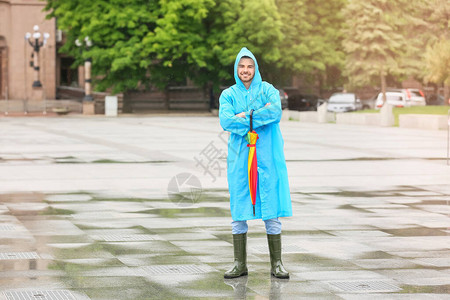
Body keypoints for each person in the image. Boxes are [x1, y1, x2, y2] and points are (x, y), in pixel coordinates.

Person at [219, 47, 292, 279]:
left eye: (250, 66)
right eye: (241, 66)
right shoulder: (228, 95)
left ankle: (277, 263)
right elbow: (226, 121)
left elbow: (275, 112)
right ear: (236, 69)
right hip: (241, 159)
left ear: (255, 68)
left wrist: (246, 116)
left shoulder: (267, 89)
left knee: (271, 207)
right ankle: (239, 264)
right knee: (239, 208)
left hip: (267, 156)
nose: (245, 70)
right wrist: (258, 115)